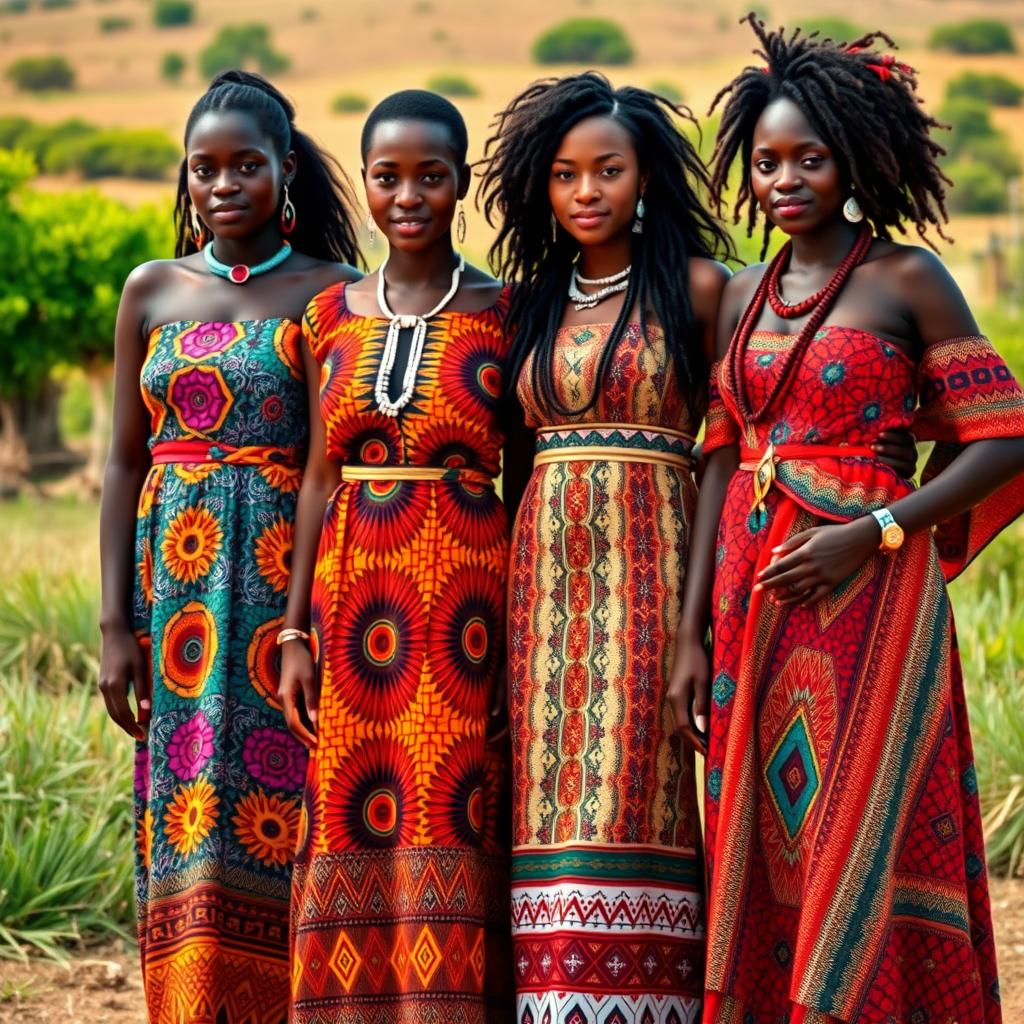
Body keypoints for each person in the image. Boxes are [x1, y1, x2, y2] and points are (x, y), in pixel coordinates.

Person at [670, 17, 1024, 1024]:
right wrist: (693, 631)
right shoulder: (739, 292)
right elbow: (717, 458)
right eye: (766, 160)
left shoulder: (904, 280)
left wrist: (873, 532)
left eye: (809, 159)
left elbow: (1001, 436)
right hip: (752, 601)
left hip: (869, 593)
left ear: (855, 161)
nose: (784, 179)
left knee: (857, 816)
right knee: (763, 829)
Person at [97, 71, 361, 1024]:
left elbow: (337, 461)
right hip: (174, 595)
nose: (223, 184)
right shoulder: (152, 290)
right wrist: (113, 623)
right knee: (184, 802)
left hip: (284, 581)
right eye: (203, 167)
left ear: (286, 169)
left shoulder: (333, 293)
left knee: (283, 799)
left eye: (246, 164)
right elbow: (124, 465)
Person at [479, 71, 733, 1024]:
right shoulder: (533, 301)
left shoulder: (702, 290)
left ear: (646, 177)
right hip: (542, 590)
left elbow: (721, 456)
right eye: (564, 174)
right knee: (545, 805)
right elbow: (513, 464)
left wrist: (692, 625)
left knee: (639, 797)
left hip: (654, 575)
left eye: (609, 170)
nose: (587, 192)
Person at [279, 90, 522, 1023]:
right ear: (367, 184)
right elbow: (313, 479)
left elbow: (528, 477)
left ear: (461, 184)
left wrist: (519, 633)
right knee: (350, 798)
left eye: (431, 176)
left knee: (455, 803)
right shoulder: (327, 316)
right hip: (351, 597)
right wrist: (294, 627)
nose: (408, 195)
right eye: (388, 177)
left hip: (466, 598)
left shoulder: (507, 310)